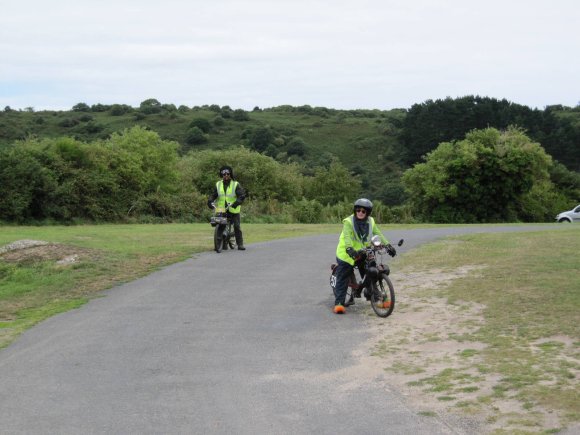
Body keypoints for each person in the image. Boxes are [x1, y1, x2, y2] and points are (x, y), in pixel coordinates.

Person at [332, 198, 397, 314]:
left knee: (371, 273)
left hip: (363, 252)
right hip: (346, 254)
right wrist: (349, 249)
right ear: (355, 210)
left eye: (363, 211)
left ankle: (376, 299)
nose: (360, 213)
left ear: (368, 213)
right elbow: (347, 237)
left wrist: (388, 245)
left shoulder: (371, 221)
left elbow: (378, 234)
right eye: (358, 210)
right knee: (343, 276)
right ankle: (339, 303)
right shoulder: (348, 222)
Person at [207, 165, 246, 250]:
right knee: (219, 224)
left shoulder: (235, 184)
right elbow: (213, 195)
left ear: (230, 174)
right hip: (221, 208)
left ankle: (240, 244)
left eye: (227, 174)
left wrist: (236, 203)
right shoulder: (218, 184)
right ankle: (220, 244)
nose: (226, 175)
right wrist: (210, 201)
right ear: (221, 175)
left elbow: (241, 196)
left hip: (233, 208)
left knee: (236, 226)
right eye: (223, 174)